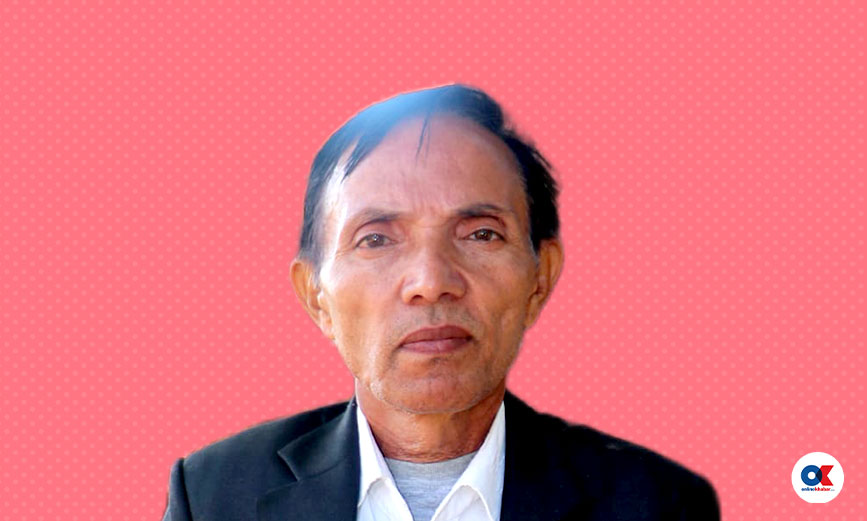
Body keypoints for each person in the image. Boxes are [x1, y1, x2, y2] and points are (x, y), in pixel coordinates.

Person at [161, 84, 720, 521]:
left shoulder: (657, 504)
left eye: (480, 234)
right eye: (376, 239)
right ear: (317, 297)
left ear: (539, 278)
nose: (430, 281)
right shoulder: (214, 495)